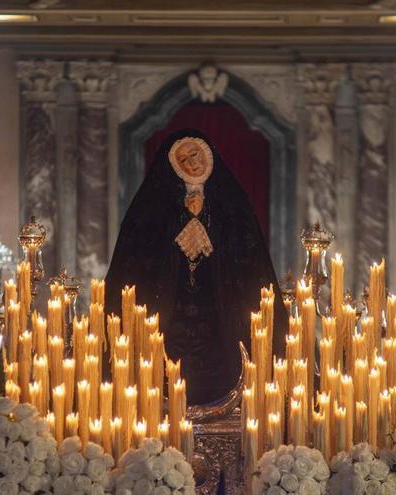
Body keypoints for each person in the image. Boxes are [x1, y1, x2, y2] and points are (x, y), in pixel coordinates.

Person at [105, 129, 286, 405]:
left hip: (222, 318)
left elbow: (250, 259)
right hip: (167, 317)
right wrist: (178, 228)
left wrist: (210, 229)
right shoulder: (153, 207)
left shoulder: (233, 205)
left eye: (195, 154)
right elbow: (136, 260)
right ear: (174, 166)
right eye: (184, 159)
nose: (192, 162)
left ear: (208, 155)